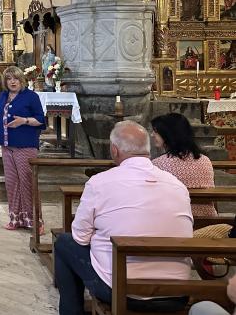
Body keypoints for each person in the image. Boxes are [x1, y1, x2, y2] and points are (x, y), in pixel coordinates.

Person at [54, 121, 193, 315]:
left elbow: (80, 237)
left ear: (114, 150)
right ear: (148, 149)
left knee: (64, 242)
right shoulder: (177, 185)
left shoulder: (99, 183)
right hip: (176, 293)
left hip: (122, 291)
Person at [0, 66, 45, 231]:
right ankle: (16, 219)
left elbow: (41, 120)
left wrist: (24, 121)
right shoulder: (3, 96)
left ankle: (36, 222)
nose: (12, 81)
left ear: (22, 80)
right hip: (7, 146)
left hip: (25, 146)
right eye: (9, 79)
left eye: (16, 78)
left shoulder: (31, 97)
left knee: (27, 183)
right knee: (12, 184)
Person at [151, 113, 217, 217]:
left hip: (177, 219)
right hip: (207, 218)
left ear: (168, 134)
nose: (152, 134)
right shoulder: (205, 160)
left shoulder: (158, 164)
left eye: (155, 131)